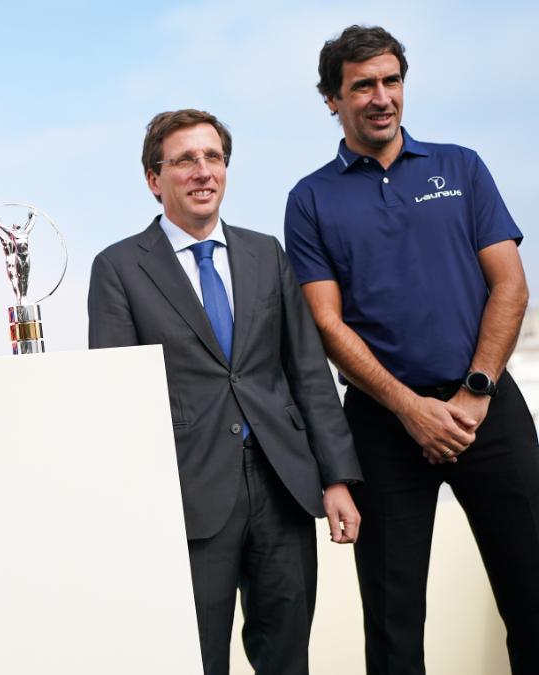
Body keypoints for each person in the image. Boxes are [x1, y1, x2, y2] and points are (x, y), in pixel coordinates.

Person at [285, 24, 539, 674]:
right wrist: (410, 408)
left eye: (390, 81)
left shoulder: (461, 166)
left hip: (487, 407)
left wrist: (474, 394)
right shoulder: (310, 198)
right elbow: (327, 322)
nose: (380, 97)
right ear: (331, 100)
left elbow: (509, 284)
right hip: (381, 422)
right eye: (361, 85)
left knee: (532, 593)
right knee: (394, 623)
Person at [88, 109, 362, 675]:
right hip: (188, 499)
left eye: (213, 157)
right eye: (184, 159)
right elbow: (118, 400)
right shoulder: (118, 268)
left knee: (287, 657)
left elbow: (307, 370)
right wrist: (136, 507)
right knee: (194, 659)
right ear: (153, 179)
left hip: (283, 489)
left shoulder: (267, 254)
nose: (202, 171)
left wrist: (335, 477)